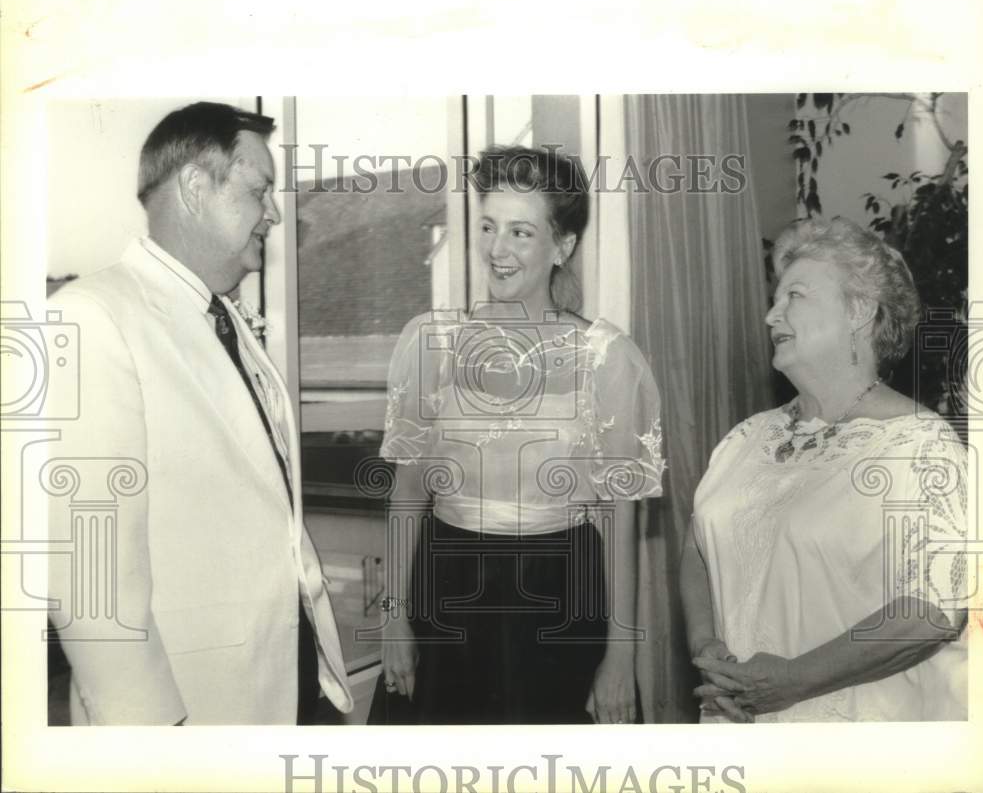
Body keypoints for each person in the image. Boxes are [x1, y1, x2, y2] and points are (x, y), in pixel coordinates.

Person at [46, 101, 353, 724]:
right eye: (260, 190)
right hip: (193, 710)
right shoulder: (91, 318)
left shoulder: (225, 318)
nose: (274, 213)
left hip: (284, 685)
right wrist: (157, 744)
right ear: (194, 186)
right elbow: (90, 577)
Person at [374, 145, 665, 724]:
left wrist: (620, 657)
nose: (496, 250)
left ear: (563, 245)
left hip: (559, 602)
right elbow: (408, 497)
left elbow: (619, 522)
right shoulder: (431, 344)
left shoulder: (606, 358)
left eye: (520, 232)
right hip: (444, 594)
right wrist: (394, 619)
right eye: (488, 226)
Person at [681, 216, 967, 722]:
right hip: (737, 727)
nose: (771, 316)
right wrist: (710, 649)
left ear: (858, 311)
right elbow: (699, 550)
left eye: (795, 296)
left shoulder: (920, 446)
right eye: (775, 299)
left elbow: (932, 609)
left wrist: (794, 680)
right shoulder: (745, 439)